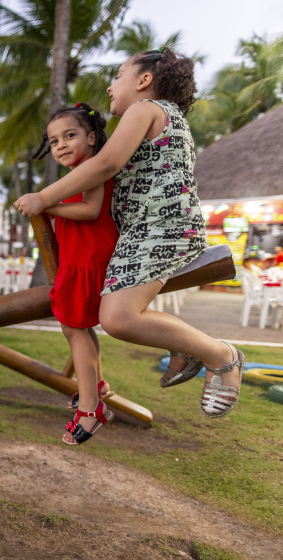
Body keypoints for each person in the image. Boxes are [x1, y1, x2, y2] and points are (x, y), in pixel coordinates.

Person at [14, 47, 246, 419]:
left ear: (144, 81)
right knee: (118, 311)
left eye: (118, 76)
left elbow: (106, 164)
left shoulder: (146, 109)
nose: (110, 87)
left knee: (118, 318)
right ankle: (183, 348)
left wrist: (43, 197)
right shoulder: (164, 119)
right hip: (146, 232)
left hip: (161, 228)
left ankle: (222, 355)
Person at [32, 103, 118, 444]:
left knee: (74, 329)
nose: (61, 145)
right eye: (54, 141)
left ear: (92, 137)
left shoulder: (93, 167)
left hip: (88, 258)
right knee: (79, 326)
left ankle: (90, 408)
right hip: (80, 258)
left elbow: (90, 209)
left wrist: (44, 203)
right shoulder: (81, 171)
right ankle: (95, 385)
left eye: (70, 135)